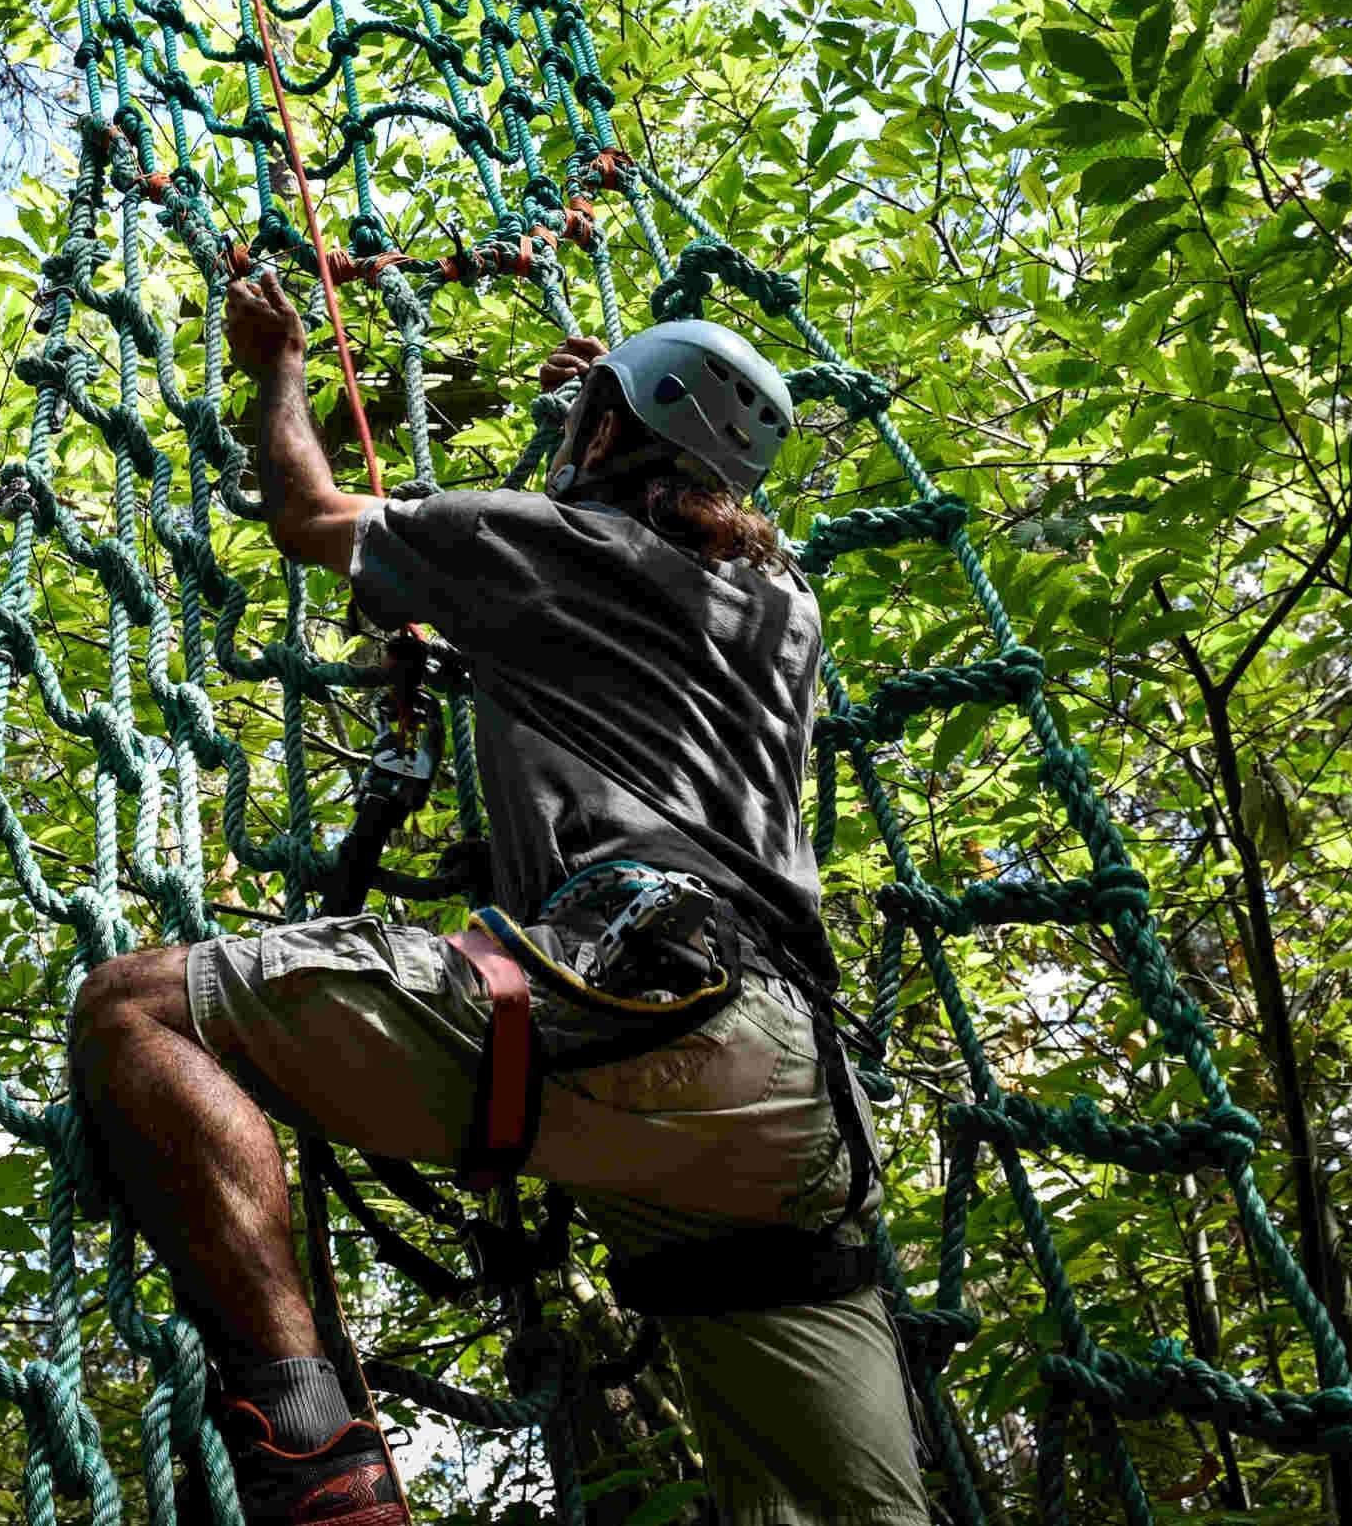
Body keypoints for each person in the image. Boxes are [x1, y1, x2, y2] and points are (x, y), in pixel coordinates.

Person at [72, 269, 928, 1526]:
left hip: (635, 1009)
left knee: (134, 1010)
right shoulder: (783, 609)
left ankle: (316, 1462)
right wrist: (599, 410)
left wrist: (279, 370)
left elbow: (310, 514)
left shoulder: (539, 542)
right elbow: (670, 539)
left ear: (605, 438)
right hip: (801, 1104)